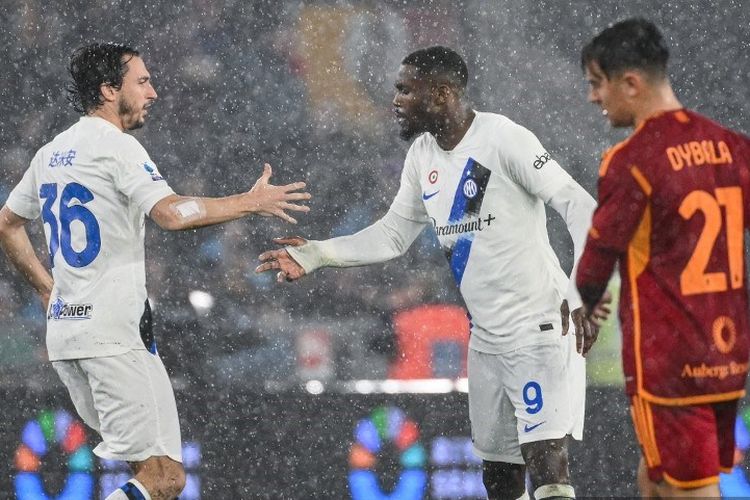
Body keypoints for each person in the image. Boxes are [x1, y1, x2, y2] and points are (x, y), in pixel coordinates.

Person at [256, 46, 598, 500]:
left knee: (546, 462)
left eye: (405, 90)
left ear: (440, 93)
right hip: (487, 339)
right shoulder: (422, 155)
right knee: (499, 477)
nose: (395, 100)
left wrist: (581, 293)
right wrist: (316, 254)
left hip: (538, 326)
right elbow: (394, 235)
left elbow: (581, 206)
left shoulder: (503, 138)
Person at [0, 43, 310, 500]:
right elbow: (170, 214)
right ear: (109, 90)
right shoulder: (119, 148)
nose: (154, 92)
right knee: (165, 480)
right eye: (142, 82)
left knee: (153, 473)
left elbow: (8, 223)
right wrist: (250, 202)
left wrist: (48, 290)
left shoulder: (52, 152)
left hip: (68, 336)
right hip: (112, 336)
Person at [576, 18, 750, 498]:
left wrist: (587, 303)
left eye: (597, 84)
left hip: (671, 364)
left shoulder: (633, 160)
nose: (594, 98)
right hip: (726, 356)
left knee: (692, 490)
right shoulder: (734, 147)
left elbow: (595, 262)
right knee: (655, 477)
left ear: (630, 83)